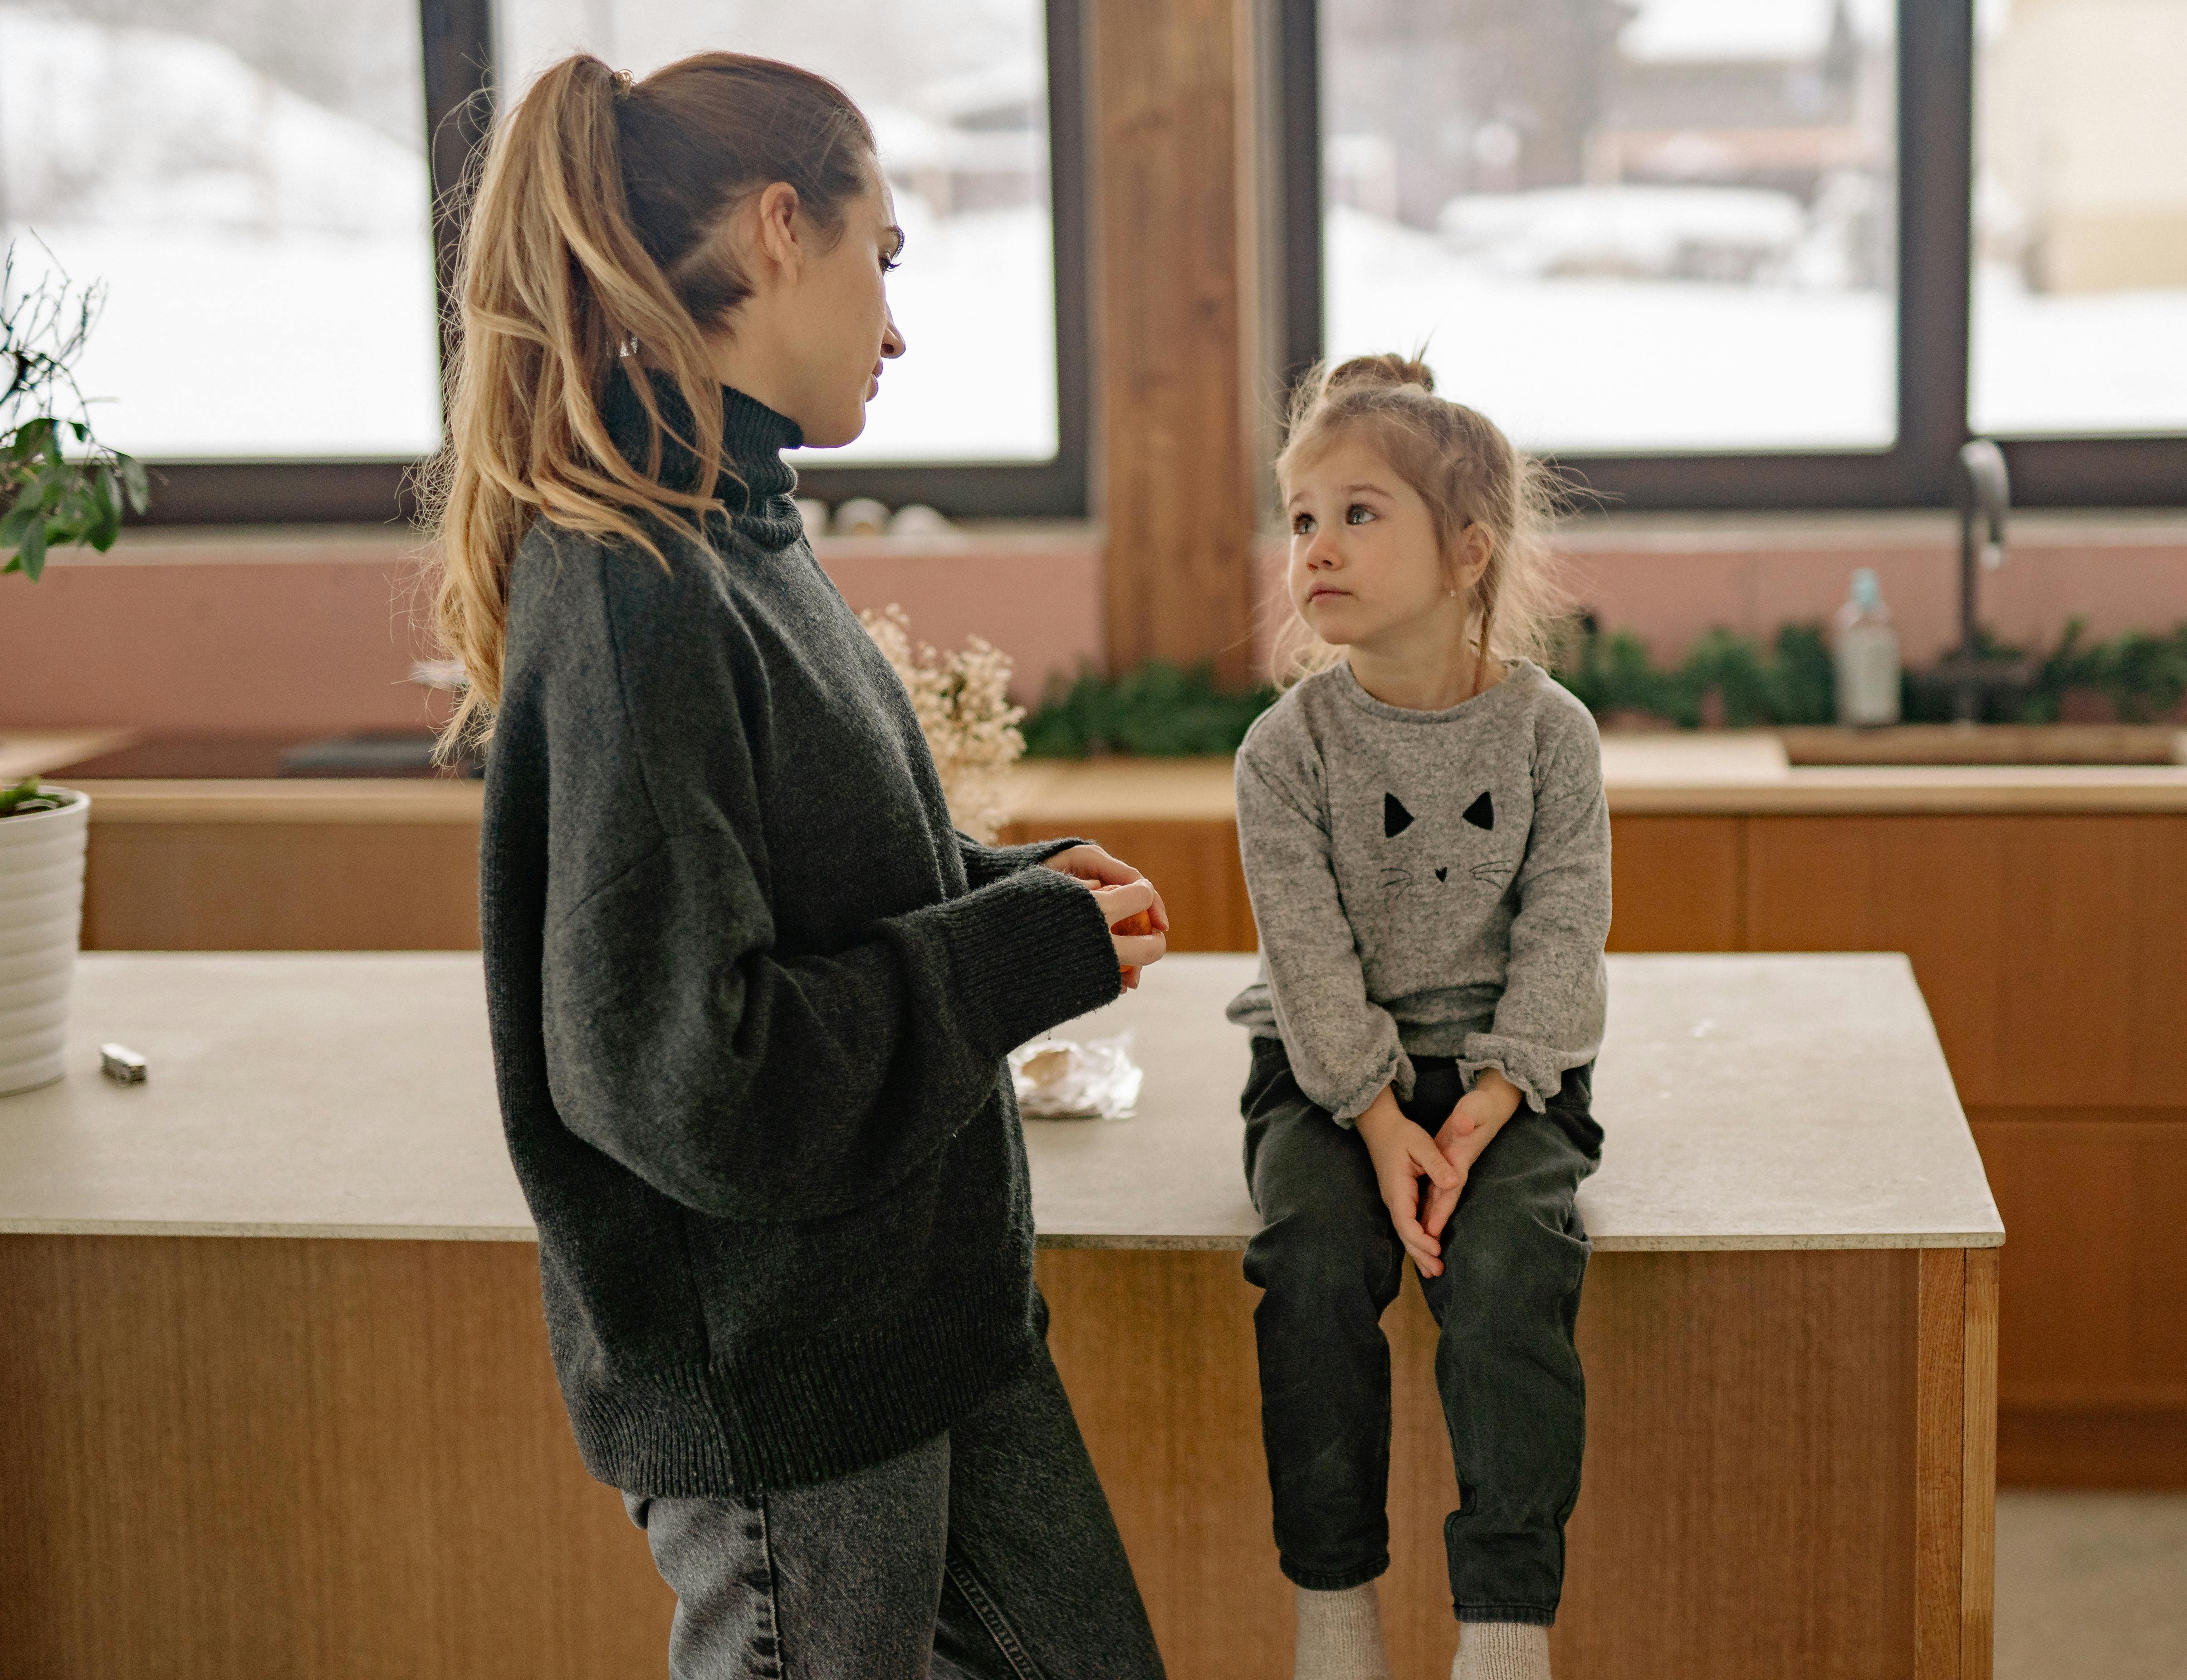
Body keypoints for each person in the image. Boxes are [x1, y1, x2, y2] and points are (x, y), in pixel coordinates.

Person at [424, 50, 1170, 1678]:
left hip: (916, 1325)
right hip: (791, 1385)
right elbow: (697, 1074)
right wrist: (1010, 952)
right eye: (879, 257)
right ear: (778, 231)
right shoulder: (634, 582)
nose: (894, 325)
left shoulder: (738, 531)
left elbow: (820, 884)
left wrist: (1011, 890)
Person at [1228, 356, 1612, 1680]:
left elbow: (1566, 939)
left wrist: (1498, 1097)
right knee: (1314, 1265)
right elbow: (1310, 962)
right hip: (1329, 1074)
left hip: (1511, 1069)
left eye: (1358, 513)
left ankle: (1504, 1631)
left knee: (1507, 1276)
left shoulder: (1550, 735)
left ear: (1467, 553)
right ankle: (1333, 1614)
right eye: (1299, 519)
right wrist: (1380, 1118)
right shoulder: (1287, 751)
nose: (1316, 548)